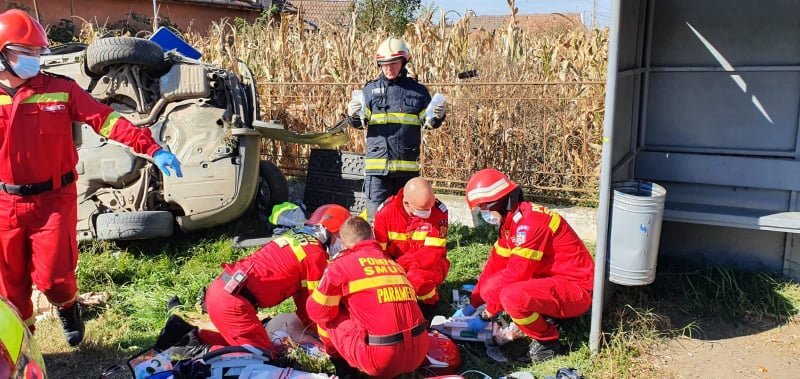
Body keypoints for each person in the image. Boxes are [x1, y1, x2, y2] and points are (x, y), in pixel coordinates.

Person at [0, 9, 182, 347]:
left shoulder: (60, 89)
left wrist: (152, 148)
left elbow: (107, 120)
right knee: (10, 290)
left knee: (55, 279)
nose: (35, 59)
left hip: (53, 201)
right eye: (26, 52)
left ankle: (67, 307)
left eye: (38, 52)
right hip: (5, 204)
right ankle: (25, 347)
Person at [458, 169, 594, 362]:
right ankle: (539, 315)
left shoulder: (530, 224)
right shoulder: (510, 223)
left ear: (500, 201)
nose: (484, 213)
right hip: (549, 279)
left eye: (484, 206)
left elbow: (515, 274)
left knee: (511, 297)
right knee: (490, 288)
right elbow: (494, 266)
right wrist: (473, 304)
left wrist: (487, 315)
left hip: (577, 290)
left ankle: (548, 341)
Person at [203, 204, 351, 353]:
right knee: (259, 358)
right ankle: (197, 351)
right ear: (331, 232)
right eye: (341, 237)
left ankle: (195, 339)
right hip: (234, 303)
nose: (343, 244)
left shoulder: (296, 237)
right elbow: (315, 308)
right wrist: (330, 342)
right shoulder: (315, 255)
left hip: (223, 290)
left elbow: (303, 303)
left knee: (249, 346)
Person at [307, 217, 428, 378]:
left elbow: (317, 312)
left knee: (327, 316)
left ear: (343, 245)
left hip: (381, 359)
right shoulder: (393, 264)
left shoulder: (340, 266)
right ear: (372, 237)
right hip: (419, 350)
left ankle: (342, 368)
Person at [347, 37, 446, 222]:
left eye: (393, 63)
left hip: (407, 171)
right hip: (377, 171)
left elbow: (428, 123)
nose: (388, 68)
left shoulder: (418, 92)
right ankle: (376, 251)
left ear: (404, 62)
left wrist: (438, 116)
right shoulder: (370, 90)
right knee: (376, 219)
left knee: (406, 218)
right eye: (384, 64)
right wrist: (353, 115)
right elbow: (359, 124)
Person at [373, 177, 449, 318]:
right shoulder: (385, 214)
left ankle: (430, 306)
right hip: (393, 265)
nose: (429, 212)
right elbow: (378, 252)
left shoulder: (439, 212)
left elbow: (432, 253)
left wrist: (401, 266)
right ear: (406, 203)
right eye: (423, 210)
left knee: (416, 279)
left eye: (430, 207)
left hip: (430, 265)